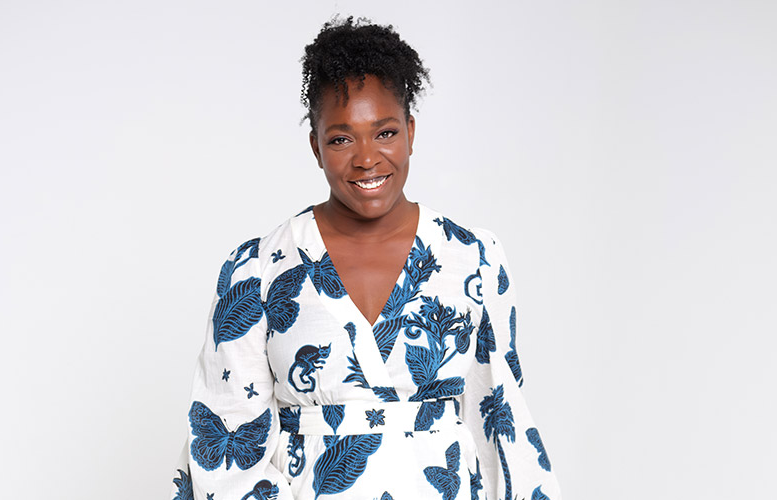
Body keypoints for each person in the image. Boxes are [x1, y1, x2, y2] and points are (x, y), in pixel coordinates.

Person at [169, 16, 562, 500]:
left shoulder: (474, 258)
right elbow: (224, 439)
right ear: (316, 146)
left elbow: (501, 419)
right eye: (341, 138)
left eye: (385, 132)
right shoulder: (258, 270)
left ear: (411, 133)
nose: (367, 158)